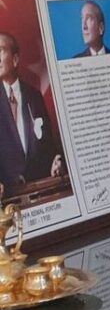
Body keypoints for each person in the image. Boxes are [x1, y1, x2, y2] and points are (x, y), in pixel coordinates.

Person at [0, 33, 63, 191]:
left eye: (0, 50)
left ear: (15, 59)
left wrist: (55, 161)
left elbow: (48, 145)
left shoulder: (34, 96)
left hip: (40, 189)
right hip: (9, 196)